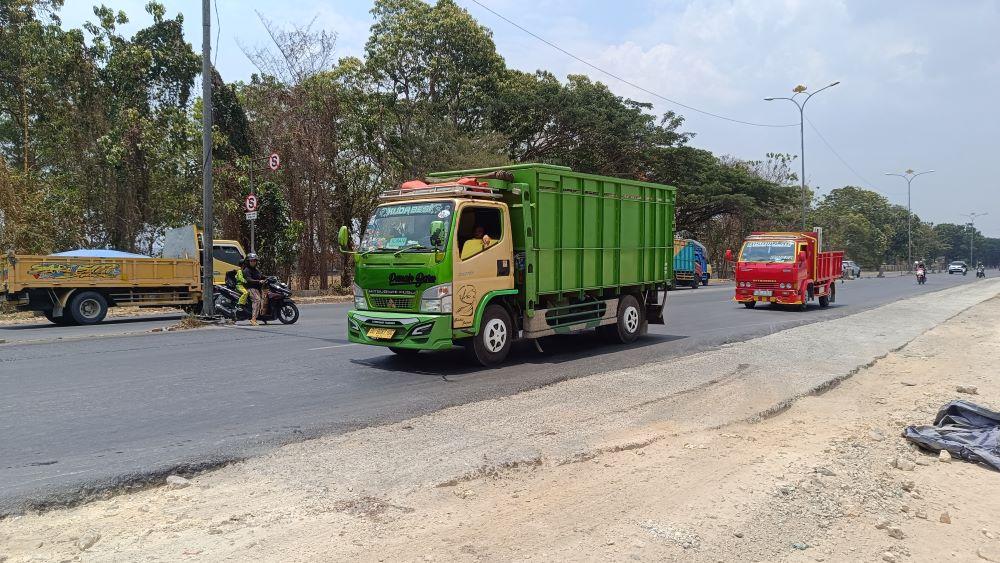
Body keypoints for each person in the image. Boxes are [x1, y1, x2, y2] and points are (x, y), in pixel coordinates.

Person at [236, 253, 265, 325]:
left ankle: (261, 316)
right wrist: (259, 281)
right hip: (250, 288)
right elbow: (249, 280)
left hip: (257, 288)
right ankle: (253, 319)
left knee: (263, 300)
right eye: (251, 261)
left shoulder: (256, 270)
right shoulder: (247, 270)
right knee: (257, 300)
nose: (253, 262)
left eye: (255, 261)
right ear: (248, 262)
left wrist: (269, 277)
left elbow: (261, 276)